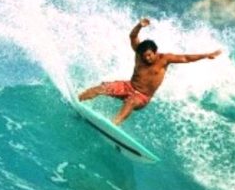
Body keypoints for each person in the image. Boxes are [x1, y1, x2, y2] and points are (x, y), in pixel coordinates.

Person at [78, 18, 222, 125]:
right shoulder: (139, 53)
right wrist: (139, 26)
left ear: (155, 52)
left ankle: (112, 125)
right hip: (129, 86)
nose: (147, 58)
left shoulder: (164, 59)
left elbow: (185, 57)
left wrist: (206, 55)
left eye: (149, 55)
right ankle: (78, 100)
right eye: (144, 55)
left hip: (142, 96)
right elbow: (133, 37)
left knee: (131, 101)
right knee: (103, 88)